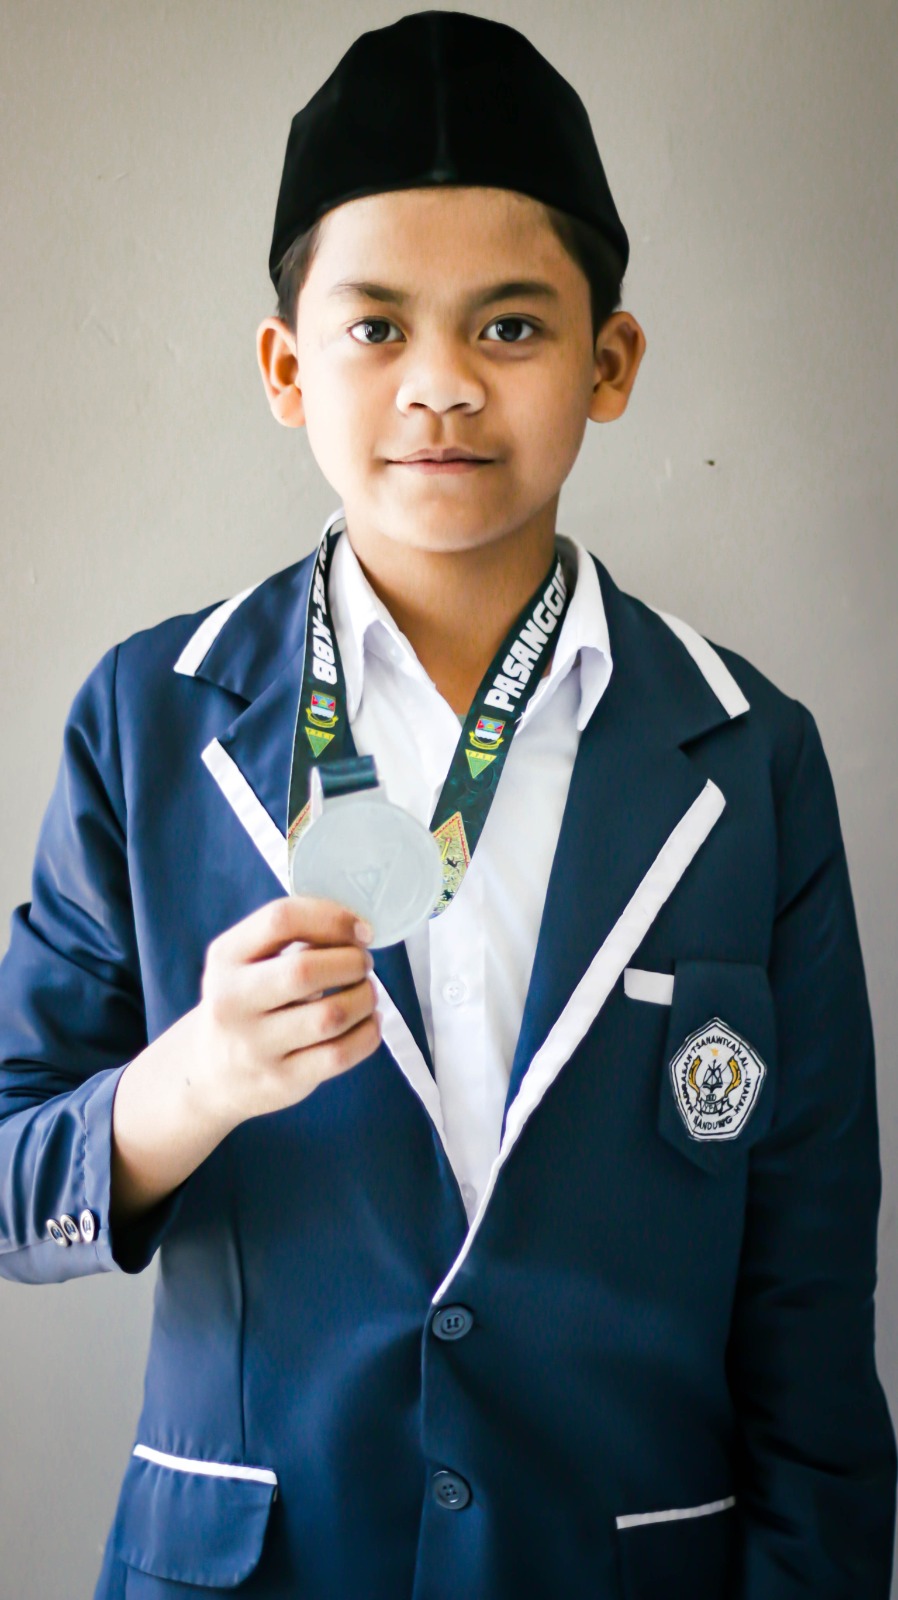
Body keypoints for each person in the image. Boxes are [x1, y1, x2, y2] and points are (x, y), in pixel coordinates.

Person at [0, 10, 894, 1599]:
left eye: (509, 327)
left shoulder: (748, 755)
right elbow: (11, 1178)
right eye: (373, 328)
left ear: (608, 364)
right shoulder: (149, 717)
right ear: (286, 369)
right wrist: (188, 1083)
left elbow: (810, 1287)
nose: (439, 389)